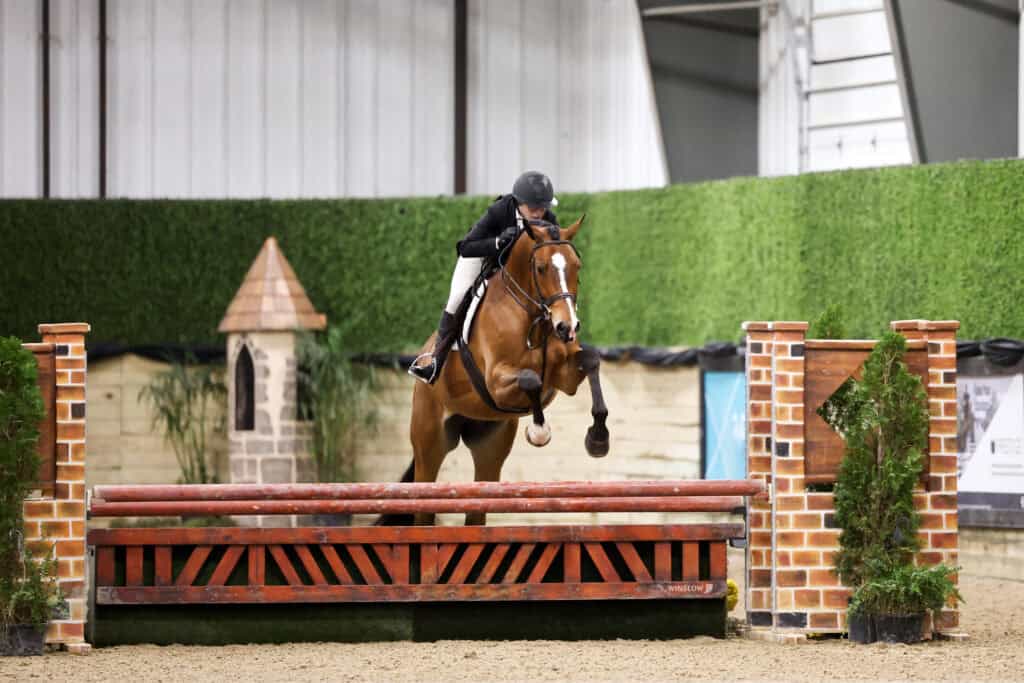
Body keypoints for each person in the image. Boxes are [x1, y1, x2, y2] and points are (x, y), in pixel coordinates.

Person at [408, 170, 559, 385]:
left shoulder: (548, 220)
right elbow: (465, 247)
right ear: (518, 202)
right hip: (482, 257)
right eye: (533, 207)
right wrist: (497, 242)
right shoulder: (499, 211)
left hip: (519, 270)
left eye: (543, 207)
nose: (538, 213)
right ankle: (434, 362)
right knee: (458, 297)